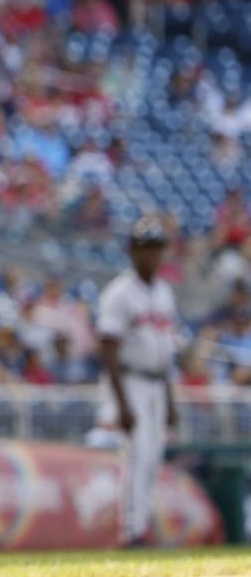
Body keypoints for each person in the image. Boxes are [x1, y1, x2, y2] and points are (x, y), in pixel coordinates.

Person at [95, 215, 180, 547]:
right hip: (131, 381)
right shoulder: (119, 293)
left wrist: (171, 400)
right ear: (131, 251)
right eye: (146, 248)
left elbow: (166, 351)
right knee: (137, 457)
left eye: (157, 248)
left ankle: (141, 526)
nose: (152, 255)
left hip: (158, 382)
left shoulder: (163, 292)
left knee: (153, 457)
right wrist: (121, 403)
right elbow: (108, 349)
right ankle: (130, 532)